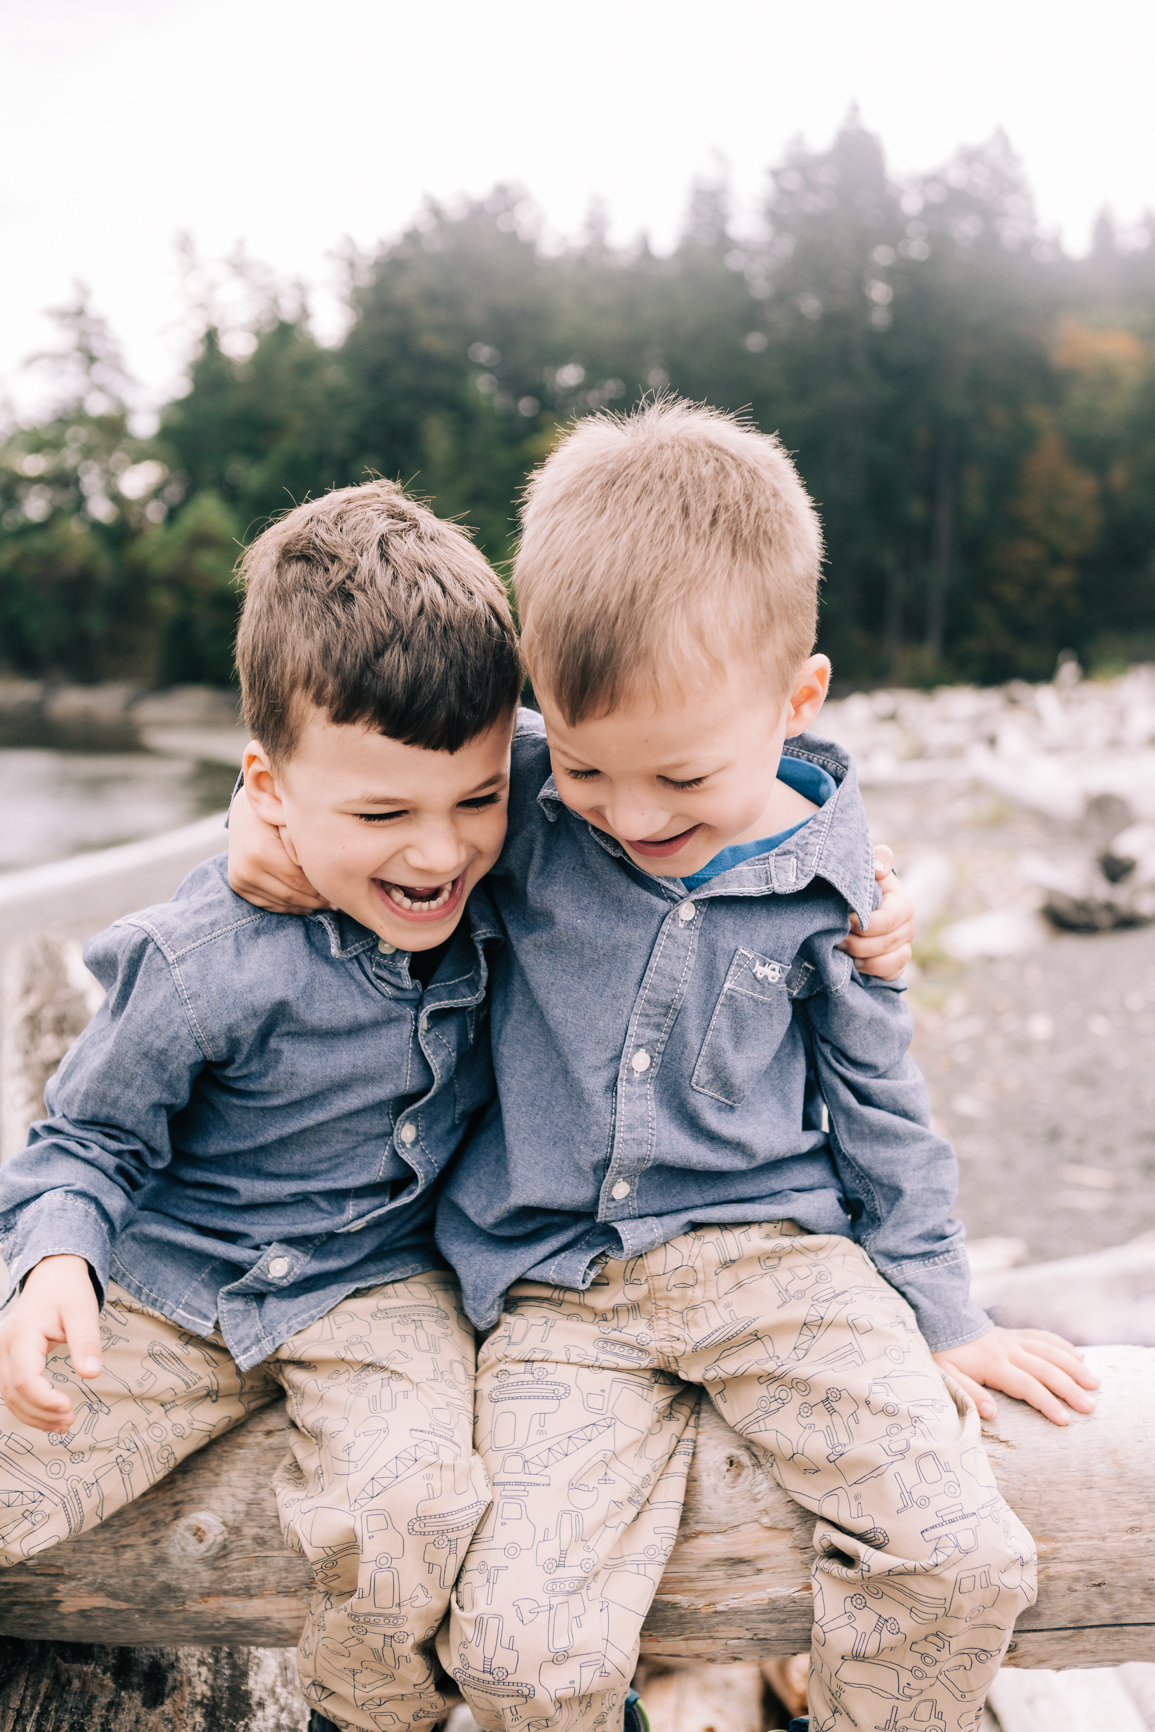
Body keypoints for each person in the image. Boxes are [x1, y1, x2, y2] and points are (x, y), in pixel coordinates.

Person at [427, 400, 1098, 1732]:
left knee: (963, 1558)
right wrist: (257, 829)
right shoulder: (510, 802)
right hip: (555, 1285)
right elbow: (362, 792)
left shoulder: (834, 884)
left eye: (679, 774)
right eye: (582, 761)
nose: (626, 813)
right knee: (516, 1652)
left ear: (796, 704)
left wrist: (942, 1310)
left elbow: (879, 1106)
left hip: (779, 1263)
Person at [0, 480, 524, 1732]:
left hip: (383, 1290)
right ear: (267, 787)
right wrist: (56, 1256)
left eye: (479, 798)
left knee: (420, 1512)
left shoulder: (527, 816)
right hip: (169, 1283)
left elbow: (654, 748)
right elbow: (85, 1137)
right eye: (384, 814)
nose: (440, 853)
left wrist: (834, 850)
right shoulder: (197, 958)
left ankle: (359, 1717)